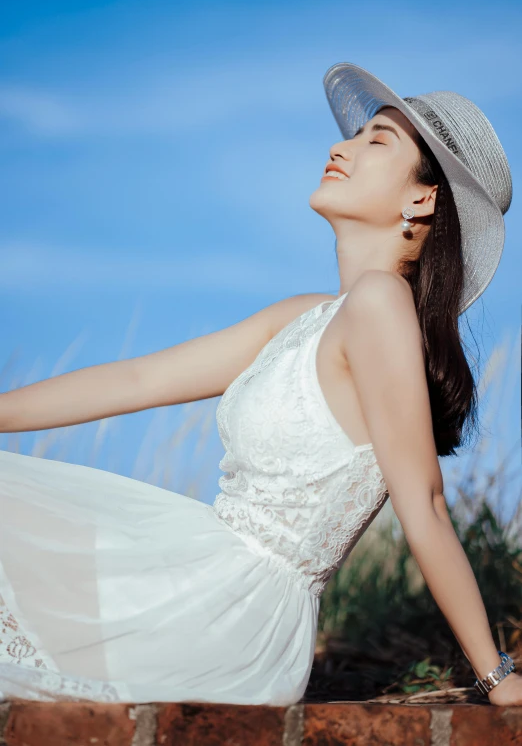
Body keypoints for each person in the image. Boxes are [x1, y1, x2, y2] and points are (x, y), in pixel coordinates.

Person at [0, 61, 520, 707]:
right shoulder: (302, 318)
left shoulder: (382, 304)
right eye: (354, 136)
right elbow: (140, 377)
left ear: (422, 199)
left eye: (375, 142)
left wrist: (496, 676)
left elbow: (427, 504)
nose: (340, 146)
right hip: (200, 566)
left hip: (237, 611)